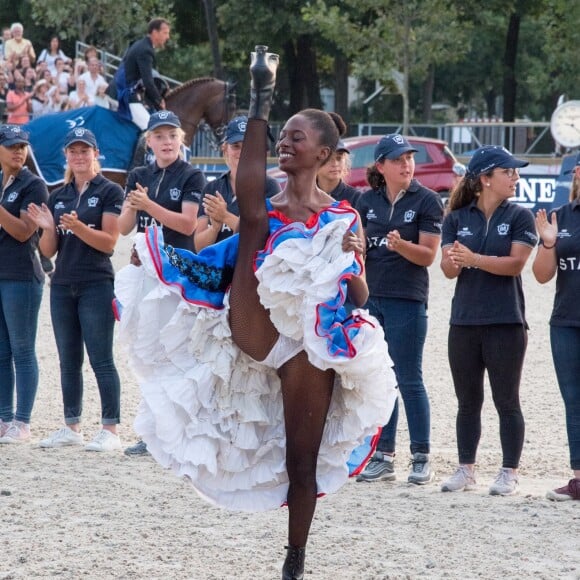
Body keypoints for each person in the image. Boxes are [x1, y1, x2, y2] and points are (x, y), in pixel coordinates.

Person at [113, 46, 396, 579]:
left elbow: (358, 298)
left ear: (324, 153)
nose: (285, 143)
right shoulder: (264, 203)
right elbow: (249, 185)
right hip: (258, 327)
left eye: (296, 138)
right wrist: (262, 93)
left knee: (301, 462)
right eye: (281, 136)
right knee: (253, 226)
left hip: (312, 344)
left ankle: (295, 557)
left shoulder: (342, 216)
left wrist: (353, 264)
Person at [439, 145, 537, 496]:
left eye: (515, 172)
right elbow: (448, 269)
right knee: (467, 401)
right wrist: (455, 259)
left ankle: (509, 471)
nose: (516, 177)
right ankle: (466, 469)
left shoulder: (521, 217)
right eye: (508, 172)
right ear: (485, 179)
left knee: (506, 400)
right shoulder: (456, 217)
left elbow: (515, 265)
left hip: (506, 321)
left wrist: (474, 258)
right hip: (463, 321)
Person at [28, 128, 124, 452]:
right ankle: (72, 425)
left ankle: (110, 428)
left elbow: (110, 243)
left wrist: (79, 227)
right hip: (63, 284)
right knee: (69, 360)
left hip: (96, 282)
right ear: (66, 156)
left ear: (96, 154)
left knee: (101, 358)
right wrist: (45, 229)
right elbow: (50, 249)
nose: (80, 156)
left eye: (86, 151)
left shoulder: (110, 191)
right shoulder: (59, 196)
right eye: (74, 151)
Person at [355, 134, 443, 485]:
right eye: (398, 159)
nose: (407, 164)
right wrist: (355, 246)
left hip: (407, 297)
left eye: (409, 157)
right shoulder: (366, 200)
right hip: (372, 296)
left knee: (408, 378)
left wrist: (402, 245)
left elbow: (428, 255)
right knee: (380, 377)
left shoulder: (428, 200)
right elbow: (360, 249)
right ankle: (383, 454)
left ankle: (421, 456)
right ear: (381, 167)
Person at [118, 110, 206, 456]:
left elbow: (187, 225)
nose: (166, 142)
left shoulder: (191, 175)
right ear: (149, 141)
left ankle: (177, 430)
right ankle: (152, 430)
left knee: (177, 352)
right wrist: (132, 205)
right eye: (159, 136)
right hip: (145, 271)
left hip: (176, 274)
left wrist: (148, 205)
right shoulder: (139, 174)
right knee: (148, 352)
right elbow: (125, 227)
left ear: (181, 139)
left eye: (172, 135)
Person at [532, 156, 580, 501]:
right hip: (565, 321)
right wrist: (549, 242)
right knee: (574, 401)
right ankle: (579, 477)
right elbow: (542, 275)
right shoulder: (560, 217)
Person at [0, 125, 48, 444]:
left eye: (22, 146)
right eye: (12, 146)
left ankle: (23, 421)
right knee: (1, 352)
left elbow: (23, 231)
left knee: (22, 349)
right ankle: (4, 417)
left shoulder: (35, 185)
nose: (19, 151)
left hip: (21, 274)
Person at [194, 114, 280, 252]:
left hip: (250, 270)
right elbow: (199, 247)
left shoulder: (269, 187)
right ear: (225, 149)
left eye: (248, 145)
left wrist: (225, 217)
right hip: (218, 271)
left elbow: (267, 239)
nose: (242, 152)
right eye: (236, 146)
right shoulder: (212, 188)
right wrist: (215, 228)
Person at [113, 18, 171, 130]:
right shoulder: (145, 50)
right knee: (152, 129)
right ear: (155, 32)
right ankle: (141, 148)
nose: (167, 37)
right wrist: (159, 100)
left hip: (128, 91)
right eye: (165, 33)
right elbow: (148, 81)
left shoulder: (142, 44)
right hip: (124, 94)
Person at [316, 139, 360, 206]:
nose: (335, 164)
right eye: (328, 159)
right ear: (315, 162)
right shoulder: (305, 195)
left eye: (339, 158)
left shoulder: (355, 197)